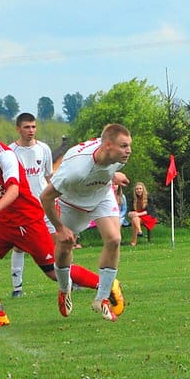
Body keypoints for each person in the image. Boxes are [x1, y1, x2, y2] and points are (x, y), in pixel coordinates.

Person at [0, 109, 114, 330]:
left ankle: (107, 287)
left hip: (27, 219)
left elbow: (13, 189)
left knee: (54, 272)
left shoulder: (5, 155)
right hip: (2, 221)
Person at [40, 123, 132, 322]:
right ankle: (65, 289)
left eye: (128, 145)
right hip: (70, 203)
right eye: (124, 146)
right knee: (64, 247)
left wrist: (113, 176)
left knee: (114, 239)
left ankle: (102, 299)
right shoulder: (76, 169)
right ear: (108, 145)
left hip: (101, 194)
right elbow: (45, 197)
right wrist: (60, 228)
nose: (128, 151)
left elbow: (104, 168)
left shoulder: (117, 158)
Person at [8, 113, 54, 298]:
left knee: (59, 241)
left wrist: (56, 197)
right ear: (18, 129)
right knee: (19, 246)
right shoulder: (10, 152)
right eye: (27, 127)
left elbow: (49, 176)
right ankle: (17, 288)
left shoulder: (44, 149)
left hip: (44, 204)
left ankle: (70, 282)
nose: (31, 131)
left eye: (33, 127)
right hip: (23, 207)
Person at [128, 181, 157, 246]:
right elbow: (130, 210)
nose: (138, 190)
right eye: (137, 189)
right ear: (135, 190)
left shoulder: (148, 197)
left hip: (148, 216)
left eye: (140, 189)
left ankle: (134, 242)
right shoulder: (133, 199)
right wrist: (130, 214)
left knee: (134, 219)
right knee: (134, 219)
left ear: (143, 189)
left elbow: (149, 211)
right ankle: (140, 231)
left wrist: (137, 214)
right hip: (138, 217)